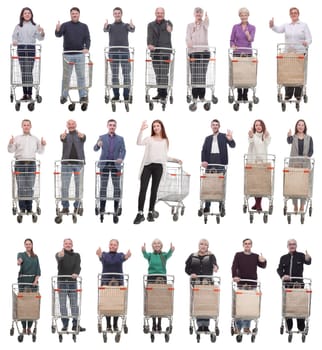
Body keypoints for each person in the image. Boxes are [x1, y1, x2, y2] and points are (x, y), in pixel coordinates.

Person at [133, 120, 182, 224]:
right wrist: (141, 130)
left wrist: (175, 160)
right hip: (147, 166)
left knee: (154, 190)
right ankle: (140, 213)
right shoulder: (149, 139)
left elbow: (164, 157)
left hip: (158, 167)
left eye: (157, 126)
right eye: (154, 126)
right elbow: (138, 143)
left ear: (161, 127)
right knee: (143, 189)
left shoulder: (165, 140)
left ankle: (150, 212)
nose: (156, 128)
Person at [269, 7, 312, 100]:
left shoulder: (304, 25)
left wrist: (306, 42)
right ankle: (288, 93)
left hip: (300, 53)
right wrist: (272, 26)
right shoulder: (286, 25)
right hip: (288, 53)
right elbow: (278, 29)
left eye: (295, 12)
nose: (293, 14)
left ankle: (298, 93)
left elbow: (309, 39)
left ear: (298, 14)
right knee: (288, 73)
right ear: (290, 15)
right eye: (292, 13)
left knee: (298, 73)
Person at [8, 119, 46, 213]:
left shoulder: (35, 139)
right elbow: (11, 150)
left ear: (30, 126)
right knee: (20, 186)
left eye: (28, 125)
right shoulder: (17, 138)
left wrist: (43, 145)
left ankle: (29, 207)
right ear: (22, 126)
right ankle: (22, 208)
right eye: (24, 125)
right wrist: (10, 143)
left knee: (30, 186)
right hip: (20, 163)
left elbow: (40, 152)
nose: (26, 126)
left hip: (31, 164)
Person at [55, 7, 91, 104]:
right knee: (66, 76)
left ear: (79, 14)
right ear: (70, 15)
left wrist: (87, 48)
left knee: (81, 77)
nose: (74, 15)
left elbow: (87, 38)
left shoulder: (84, 26)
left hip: (80, 54)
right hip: (67, 55)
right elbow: (58, 35)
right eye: (73, 13)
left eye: (76, 13)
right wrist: (57, 30)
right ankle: (64, 96)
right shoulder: (65, 25)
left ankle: (83, 96)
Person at [231, 238, 267, 334]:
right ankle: (238, 327)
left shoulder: (255, 256)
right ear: (243, 245)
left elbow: (263, 266)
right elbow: (234, 266)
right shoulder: (238, 255)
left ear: (251, 245)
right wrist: (234, 276)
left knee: (249, 306)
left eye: (249, 244)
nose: (247, 245)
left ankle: (247, 327)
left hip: (252, 284)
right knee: (240, 306)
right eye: (245, 244)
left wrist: (263, 261)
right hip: (241, 283)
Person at [277, 239, 311, 333]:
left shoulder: (301, 255)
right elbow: (279, 269)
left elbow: (308, 262)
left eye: (294, 244)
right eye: (290, 244)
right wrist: (283, 276)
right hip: (288, 286)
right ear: (287, 246)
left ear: (296, 246)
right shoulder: (283, 257)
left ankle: (301, 327)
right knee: (288, 306)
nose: (292, 246)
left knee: (299, 306)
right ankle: (289, 326)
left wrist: (308, 258)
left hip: (299, 285)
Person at [96, 239, 131, 332]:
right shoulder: (104, 254)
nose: (112, 246)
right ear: (109, 245)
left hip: (118, 283)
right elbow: (101, 258)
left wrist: (127, 256)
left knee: (116, 304)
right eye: (111, 244)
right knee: (107, 304)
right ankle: (108, 325)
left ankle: (115, 324)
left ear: (117, 246)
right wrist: (99, 255)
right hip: (106, 283)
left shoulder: (120, 255)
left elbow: (125, 258)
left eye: (114, 245)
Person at [201, 119, 236, 212]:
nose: (215, 126)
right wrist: (203, 161)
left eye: (217, 125)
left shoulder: (224, 136)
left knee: (220, 184)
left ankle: (221, 205)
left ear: (219, 126)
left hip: (220, 161)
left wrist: (230, 139)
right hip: (210, 161)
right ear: (211, 126)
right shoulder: (207, 138)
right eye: (213, 125)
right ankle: (207, 206)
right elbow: (203, 151)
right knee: (209, 184)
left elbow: (233, 145)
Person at [94, 119, 126, 220]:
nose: (112, 127)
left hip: (116, 165)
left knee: (116, 187)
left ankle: (116, 209)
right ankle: (102, 209)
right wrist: (98, 145)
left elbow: (123, 150)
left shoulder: (120, 139)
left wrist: (121, 158)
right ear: (107, 126)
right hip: (104, 164)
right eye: (110, 125)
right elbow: (95, 149)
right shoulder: (102, 137)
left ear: (116, 127)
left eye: (114, 125)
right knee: (103, 187)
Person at [185, 239, 218, 332]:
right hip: (196, 284)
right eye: (201, 244)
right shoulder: (192, 256)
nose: (203, 246)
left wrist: (215, 267)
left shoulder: (211, 256)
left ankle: (206, 326)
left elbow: (215, 265)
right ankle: (200, 326)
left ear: (208, 247)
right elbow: (187, 268)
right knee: (198, 304)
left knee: (206, 304)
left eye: (205, 245)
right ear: (198, 245)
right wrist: (191, 273)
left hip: (207, 284)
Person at [12, 7, 45, 101]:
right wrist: (14, 41)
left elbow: (40, 38)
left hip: (30, 49)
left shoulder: (35, 26)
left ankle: (29, 94)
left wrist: (42, 32)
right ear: (22, 15)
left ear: (31, 15)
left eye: (29, 13)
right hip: (21, 48)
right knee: (23, 71)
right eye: (25, 13)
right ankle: (25, 94)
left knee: (29, 71)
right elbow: (14, 36)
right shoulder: (18, 26)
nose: (27, 14)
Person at [142, 239, 175, 332]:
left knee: (160, 300)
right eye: (155, 243)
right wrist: (143, 250)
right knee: (152, 300)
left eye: (158, 243)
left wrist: (171, 250)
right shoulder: (150, 255)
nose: (156, 245)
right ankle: (153, 323)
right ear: (152, 246)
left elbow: (169, 254)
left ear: (161, 245)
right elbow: (145, 255)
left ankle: (159, 324)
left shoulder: (164, 255)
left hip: (161, 278)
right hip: (151, 278)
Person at [104, 7, 135, 101]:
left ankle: (126, 95)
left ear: (121, 14)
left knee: (126, 74)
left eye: (119, 13)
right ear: (113, 15)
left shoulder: (126, 25)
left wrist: (132, 26)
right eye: (115, 13)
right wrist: (105, 26)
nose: (117, 15)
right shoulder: (110, 26)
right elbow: (105, 29)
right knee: (114, 75)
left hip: (125, 52)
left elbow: (132, 29)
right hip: (113, 53)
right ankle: (116, 95)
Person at [55, 238, 85, 332]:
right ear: (63, 245)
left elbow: (78, 266)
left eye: (69, 243)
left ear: (72, 245)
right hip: (62, 282)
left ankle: (75, 325)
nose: (68, 245)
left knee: (74, 305)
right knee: (63, 305)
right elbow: (59, 257)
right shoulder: (59, 254)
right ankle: (65, 324)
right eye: (66, 243)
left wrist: (76, 273)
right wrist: (60, 255)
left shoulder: (76, 255)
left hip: (72, 283)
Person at [287, 119, 313, 212]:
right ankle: (295, 205)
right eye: (299, 125)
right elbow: (289, 141)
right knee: (294, 184)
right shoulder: (293, 137)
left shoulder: (309, 138)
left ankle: (302, 204)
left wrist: (307, 156)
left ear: (305, 127)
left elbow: (311, 151)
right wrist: (289, 135)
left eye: (302, 125)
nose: (300, 126)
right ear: (296, 126)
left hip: (305, 164)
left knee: (303, 184)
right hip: (294, 163)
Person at [60, 119, 86, 214]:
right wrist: (62, 137)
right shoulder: (64, 136)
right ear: (67, 125)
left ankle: (77, 206)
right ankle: (65, 207)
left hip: (78, 164)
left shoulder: (81, 135)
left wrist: (82, 137)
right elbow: (62, 139)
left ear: (76, 125)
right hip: (66, 164)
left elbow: (83, 138)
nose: (71, 125)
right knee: (64, 187)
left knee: (78, 186)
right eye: (69, 124)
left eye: (73, 124)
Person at [230, 7, 256, 101]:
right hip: (237, 53)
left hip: (247, 53)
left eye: (245, 14)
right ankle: (239, 93)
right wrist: (233, 45)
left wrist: (248, 34)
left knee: (246, 74)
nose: (243, 16)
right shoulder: (235, 27)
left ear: (248, 15)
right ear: (239, 16)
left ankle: (245, 94)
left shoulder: (252, 27)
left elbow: (251, 39)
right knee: (238, 73)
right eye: (242, 14)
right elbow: (232, 39)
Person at [147, 7, 173, 100]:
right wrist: (149, 44)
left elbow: (170, 29)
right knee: (158, 74)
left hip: (165, 52)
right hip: (155, 52)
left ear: (164, 14)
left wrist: (169, 28)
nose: (159, 14)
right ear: (155, 13)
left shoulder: (168, 23)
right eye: (158, 13)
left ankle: (164, 94)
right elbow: (149, 36)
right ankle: (159, 93)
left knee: (164, 73)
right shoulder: (150, 25)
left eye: (161, 13)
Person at [17, 238, 41, 335]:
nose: (28, 246)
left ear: (32, 245)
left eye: (29, 244)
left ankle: (30, 327)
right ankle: (23, 327)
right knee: (23, 304)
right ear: (24, 245)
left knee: (31, 304)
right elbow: (19, 261)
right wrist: (19, 262)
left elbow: (38, 270)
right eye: (26, 244)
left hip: (33, 283)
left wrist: (35, 280)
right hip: (23, 282)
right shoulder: (21, 254)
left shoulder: (35, 257)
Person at [186, 7, 209, 102]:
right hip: (193, 53)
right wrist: (190, 44)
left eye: (200, 13)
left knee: (202, 75)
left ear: (202, 15)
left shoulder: (204, 24)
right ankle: (195, 96)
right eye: (197, 13)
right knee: (195, 75)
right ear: (194, 14)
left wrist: (206, 19)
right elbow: (187, 37)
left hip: (204, 52)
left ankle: (202, 96)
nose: (198, 14)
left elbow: (207, 24)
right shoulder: (190, 25)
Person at [247, 119, 271, 211]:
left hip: (262, 163)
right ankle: (256, 203)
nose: (258, 126)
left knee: (260, 183)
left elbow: (266, 144)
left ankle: (258, 204)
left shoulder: (266, 135)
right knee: (253, 183)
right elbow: (251, 142)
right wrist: (251, 136)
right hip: (253, 162)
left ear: (263, 126)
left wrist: (265, 137)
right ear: (254, 127)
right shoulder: (252, 135)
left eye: (260, 125)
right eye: (256, 125)